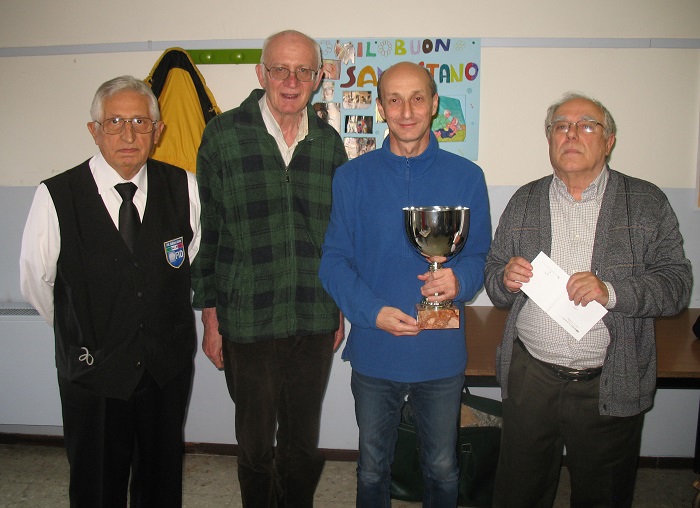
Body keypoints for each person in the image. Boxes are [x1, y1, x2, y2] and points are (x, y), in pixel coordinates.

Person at [484, 92, 693, 507]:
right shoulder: (524, 200)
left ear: (608, 140)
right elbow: (493, 276)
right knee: (518, 492)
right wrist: (505, 280)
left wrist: (612, 292)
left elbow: (676, 284)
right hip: (531, 378)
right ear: (549, 139)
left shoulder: (646, 202)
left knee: (603, 495)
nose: (571, 134)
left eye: (586, 125)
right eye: (560, 126)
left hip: (609, 381)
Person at [19, 75, 201, 507]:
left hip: (164, 372)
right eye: (115, 122)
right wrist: (85, 331)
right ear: (94, 130)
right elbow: (37, 283)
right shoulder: (56, 195)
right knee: (96, 487)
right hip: (93, 375)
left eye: (140, 122)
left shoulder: (184, 187)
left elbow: (188, 260)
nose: (128, 135)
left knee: (160, 485)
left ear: (158, 131)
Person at [319, 62, 492, 507]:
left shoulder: (467, 177)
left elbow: (481, 258)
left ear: (434, 104)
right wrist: (371, 312)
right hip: (376, 348)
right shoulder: (351, 178)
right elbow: (333, 262)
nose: (407, 111)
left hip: (440, 353)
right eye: (394, 100)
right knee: (372, 468)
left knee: (442, 467)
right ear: (380, 108)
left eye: (417, 98)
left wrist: (459, 279)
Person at [191, 30, 347, 507]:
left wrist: (338, 308)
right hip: (247, 317)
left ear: (318, 79)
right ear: (261, 73)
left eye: (303, 71)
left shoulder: (328, 144)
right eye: (280, 69)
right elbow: (209, 232)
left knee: (301, 445)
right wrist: (210, 315)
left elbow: (338, 237)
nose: (291, 81)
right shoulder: (223, 136)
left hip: (313, 315)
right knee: (256, 446)